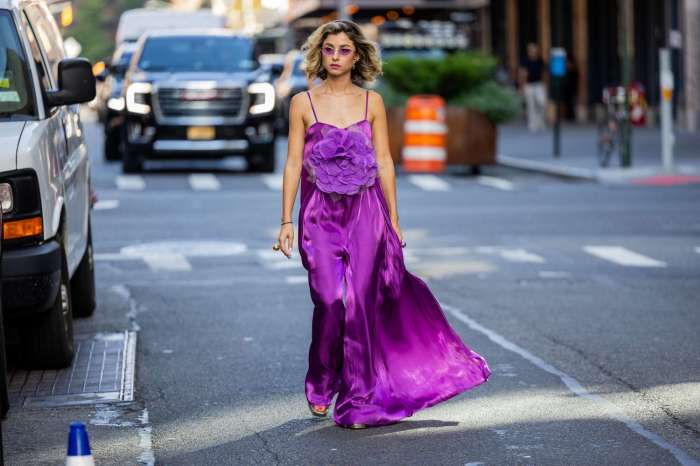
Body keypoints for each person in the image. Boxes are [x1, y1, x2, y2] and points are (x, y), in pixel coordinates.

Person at [273, 19, 491, 429]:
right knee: (329, 299)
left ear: (357, 57)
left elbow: (386, 162)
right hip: (319, 215)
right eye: (330, 49)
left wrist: (393, 218)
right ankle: (321, 380)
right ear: (320, 54)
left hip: (366, 214)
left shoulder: (372, 103)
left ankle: (357, 397)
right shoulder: (303, 103)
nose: (336, 57)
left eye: (344, 50)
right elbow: (292, 162)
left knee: (358, 304)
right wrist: (285, 219)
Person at [519, 42, 548, 132]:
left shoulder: (540, 60)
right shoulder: (525, 61)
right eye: (531, 50)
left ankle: (540, 122)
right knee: (530, 106)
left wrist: (545, 85)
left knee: (542, 103)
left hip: (539, 85)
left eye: (534, 49)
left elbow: (544, 73)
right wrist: (522, 86)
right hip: (529, 85)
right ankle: (532, 124)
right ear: (528, 51)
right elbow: (522, 74)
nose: (533, 51)